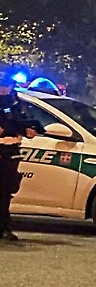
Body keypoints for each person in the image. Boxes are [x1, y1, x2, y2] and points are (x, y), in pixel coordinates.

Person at [0, 82, 39, 243]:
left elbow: (25, 125)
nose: (6, 90)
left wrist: (27, 129)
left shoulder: (15, 104)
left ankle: (4, 227)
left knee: (6, 192)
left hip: (11, 151)